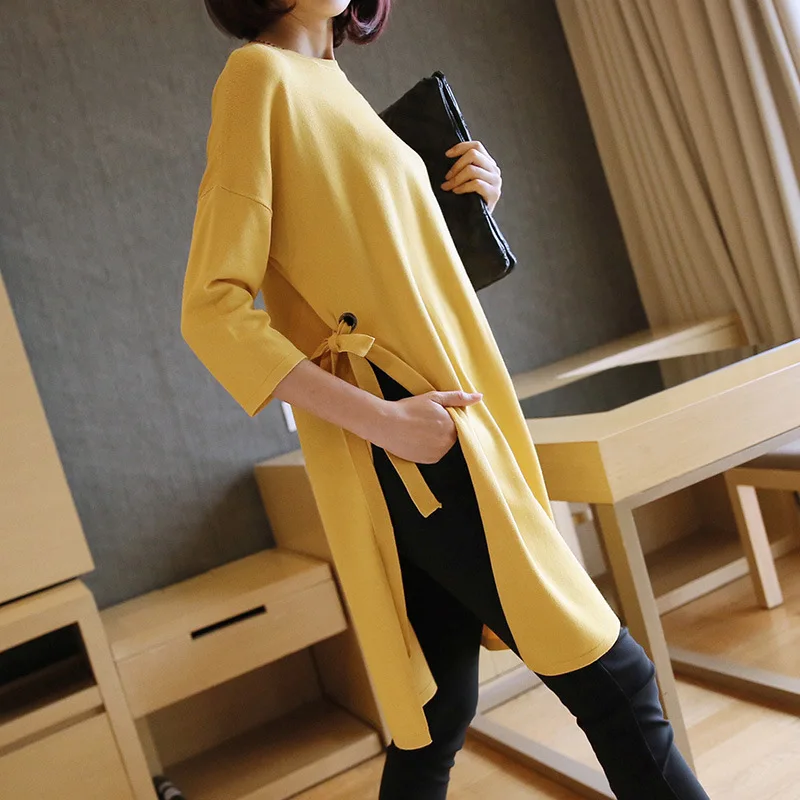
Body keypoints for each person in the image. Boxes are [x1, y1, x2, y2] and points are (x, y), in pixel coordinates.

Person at [181, 2, 712, 798]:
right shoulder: (258, 78)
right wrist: (386, 423)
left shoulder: (331, 84)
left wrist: (468, 209)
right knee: (615, 680)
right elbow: (212, 311)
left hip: (439, 421)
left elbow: (393, 283)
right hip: (415, 437)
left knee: (439, 710)